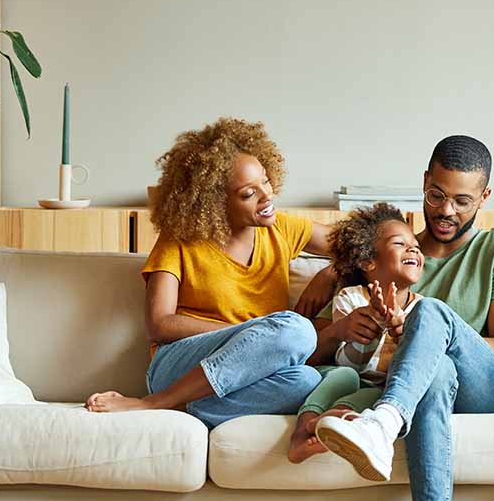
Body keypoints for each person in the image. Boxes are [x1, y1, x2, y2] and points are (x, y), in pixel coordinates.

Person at [298, 135, 494, 501]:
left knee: (430, 316)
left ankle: (383, 423)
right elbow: (318, 353)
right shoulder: (389, 253)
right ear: (424, 183)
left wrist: (421, 338)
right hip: (431, 390)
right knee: (435, 375)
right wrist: (333, 270)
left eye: (463, 201)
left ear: (485, 198)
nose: (447, 210)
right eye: (437, 195)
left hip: (488, 392)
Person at [85, 118, 333, 427]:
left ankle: (186, 407)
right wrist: (248, 333)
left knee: (308, 381)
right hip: (179, 364)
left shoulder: (283, 228)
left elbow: (359, 247)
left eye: (266, 182)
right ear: (215, 203)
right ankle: (154, 401)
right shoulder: (180, 239)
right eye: (248, 194)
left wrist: (331, 272)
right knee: (298, 331)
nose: (267, 196)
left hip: (247, 372)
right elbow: (159, 323)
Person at [287, 203, 424, 463]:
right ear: (367, 261)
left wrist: (400, 333)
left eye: (415, 244)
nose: (413, 248)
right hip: (344, 372)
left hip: (379, 385)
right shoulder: (350, 299)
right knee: (345, 376)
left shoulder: (422, 312)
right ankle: (301, 432)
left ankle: (331, 422)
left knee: (376, 395)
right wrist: (373, 324)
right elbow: (350, 362)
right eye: (400, 244)